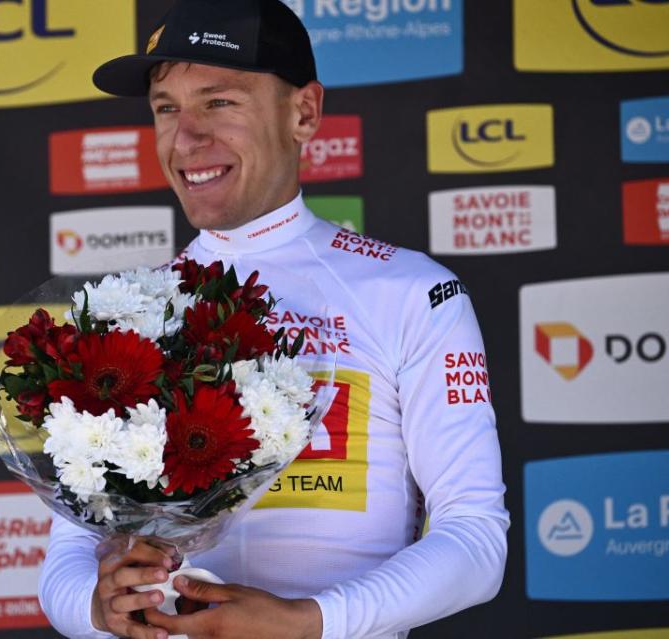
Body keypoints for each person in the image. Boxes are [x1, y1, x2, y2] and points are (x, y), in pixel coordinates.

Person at [39, 1, 509, 637]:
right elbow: (65, 557)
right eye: (166, 108)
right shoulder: (127, 314)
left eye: (219, 102)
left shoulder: (412, 292)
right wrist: (99, 609)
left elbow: (476, 540)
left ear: (304, 112)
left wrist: (310, 622)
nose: (186, 138)